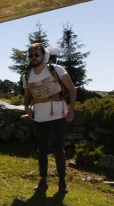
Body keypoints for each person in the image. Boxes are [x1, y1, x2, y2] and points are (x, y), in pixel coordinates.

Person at [23, 43, 76, 194]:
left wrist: (71, 110)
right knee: (42, 151)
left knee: (59, 149)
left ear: (43, 55)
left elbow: (72, 89)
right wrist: (27, 108)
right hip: (38, 118)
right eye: (31, 55)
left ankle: (62, 181)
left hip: (58, 116)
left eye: (37, 54)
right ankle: (43, 181)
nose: (34, 57)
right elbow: (27, 96)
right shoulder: (27, 76)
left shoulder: (56, 70)